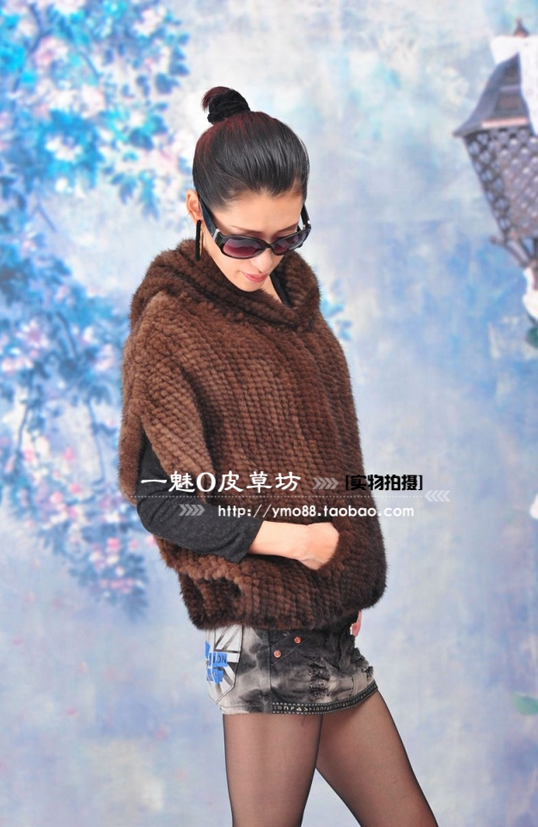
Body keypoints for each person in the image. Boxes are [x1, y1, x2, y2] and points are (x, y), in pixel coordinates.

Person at [118, 86, 439, 827]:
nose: (265, 259)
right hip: (261, 630)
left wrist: (343, 578)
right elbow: (163, 502)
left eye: (287, 237)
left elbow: (325, 462)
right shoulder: (173, 327)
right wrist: (292, 542)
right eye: (242, 242)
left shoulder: (297, 313)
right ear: (197, 212)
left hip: (322, 623)